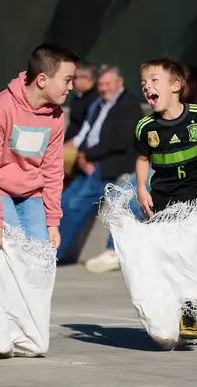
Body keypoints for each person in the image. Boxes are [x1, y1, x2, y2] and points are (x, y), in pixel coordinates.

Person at [0, 43, 76, 358]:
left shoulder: (55, 116)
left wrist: (53, 221)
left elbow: (53, 170)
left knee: (38, 254)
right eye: (66, 79)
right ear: (42, 80)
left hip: (29, 190)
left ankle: (25, 329)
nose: (71, 86)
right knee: (7, 249)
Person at [134, 58, 197, 340]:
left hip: (195, 197)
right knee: (167, 256)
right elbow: (143, 158)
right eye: (144, 83)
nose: (147, 87)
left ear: (176, 86)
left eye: (154, 81)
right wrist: (142, 187)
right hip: (162, 199)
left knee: (192, 250)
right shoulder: (146, 126)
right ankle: (171, 311)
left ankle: (190, 309)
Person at [55, 66, 144, 264]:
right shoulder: (99, 105)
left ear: (119, 83)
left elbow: (119, 141)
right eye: (101, 84)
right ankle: (53, 251)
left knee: (76, 205)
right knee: (63, 203)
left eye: (107, 84)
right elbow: (86, 134)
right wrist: (81, 156)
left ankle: (56, 255)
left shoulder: (128, 105)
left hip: (108, 166)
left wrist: (88, 156)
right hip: (88, 162)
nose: (103, 88)